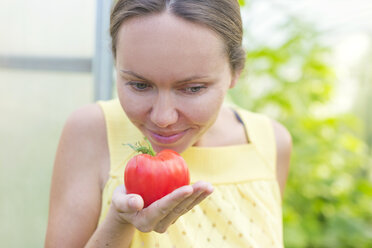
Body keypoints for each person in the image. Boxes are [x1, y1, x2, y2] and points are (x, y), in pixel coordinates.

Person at [45, 0, 292, 247]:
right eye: (140, 85)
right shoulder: (92, 132)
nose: (163, 119)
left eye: (193, 88)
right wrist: (120, 222)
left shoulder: (269, 142)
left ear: (235, 71)